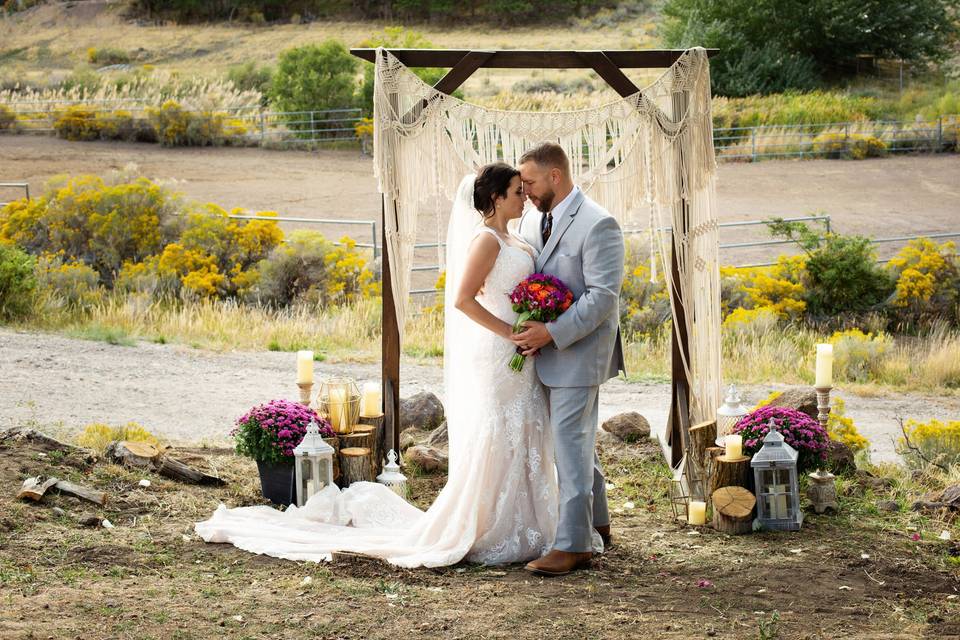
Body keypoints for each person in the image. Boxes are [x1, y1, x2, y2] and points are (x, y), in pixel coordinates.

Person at [195, 163, 561, 568]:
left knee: (525, 429)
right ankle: (491, 526)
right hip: (499, 354)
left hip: (522, 356)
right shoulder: (487, 241)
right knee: (498, 432)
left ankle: (529, 523)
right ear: (495, 198)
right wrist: (510, 332)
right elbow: (463, 300)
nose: (523, 196)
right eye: (515, 191)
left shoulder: (517, 239)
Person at [514, 142, 625, 577]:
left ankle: (574, 545)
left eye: (530, 182)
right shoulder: (535, 217)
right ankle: (597, 520)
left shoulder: (599, 224)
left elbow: (602, 298)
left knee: (571, 447)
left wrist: (551, 332)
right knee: (576, 442)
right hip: (550, 355)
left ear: (555, 177)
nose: (524, 191)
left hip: (578, 354)